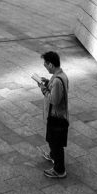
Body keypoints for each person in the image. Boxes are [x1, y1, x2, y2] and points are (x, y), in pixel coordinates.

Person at [36, 50, 69, 179]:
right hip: (57, 116)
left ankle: (59, 170)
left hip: (56, 117)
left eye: (45, 64)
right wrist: (47, 82)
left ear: (51, 65)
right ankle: (53, 155)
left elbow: (54, 100)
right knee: (52, 140)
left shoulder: (57, 81)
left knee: (56, 144)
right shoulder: (60, 75)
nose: (45, 66)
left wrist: (43, 89)